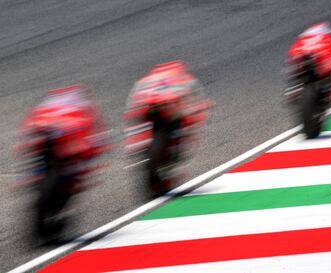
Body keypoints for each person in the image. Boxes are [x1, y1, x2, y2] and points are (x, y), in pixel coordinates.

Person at [17, 84, 110, 239]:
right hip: (49, 150)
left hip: (64, 151)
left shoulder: (55, 108)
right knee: (76, 171)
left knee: (78, 174)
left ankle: (60, 207)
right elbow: (27, 136)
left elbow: (94, 138)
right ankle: (40, 186)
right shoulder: (78, 108)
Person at [124, 60, 212, 196]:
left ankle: (141, 151)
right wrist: (199, 111)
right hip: (164, 110)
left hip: (149, 108)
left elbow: (132, 105)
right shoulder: (186, 79)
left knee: (177, 134)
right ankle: (152, 156)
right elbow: (196, 106)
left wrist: (134, 133)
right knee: (183, 138)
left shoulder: (146, 81)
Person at [285, 22, 331, 102]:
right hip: (315, 65)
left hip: (312, 64)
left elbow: (292, 54)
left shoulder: (304, 40)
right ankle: (294, 88)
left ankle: (293, 88)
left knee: (294, 68)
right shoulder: (330, 39)